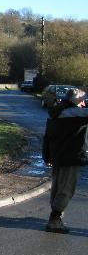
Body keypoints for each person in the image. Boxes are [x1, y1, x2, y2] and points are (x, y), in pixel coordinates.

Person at [42, 88, 88, 233]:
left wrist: (47, 156)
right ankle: (55, 220)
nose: (84, 102)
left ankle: (56, 216)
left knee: (57, 187)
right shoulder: (75, 113)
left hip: (57, 155)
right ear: (76, 101)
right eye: (83, 99)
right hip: (71, 157)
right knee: (66, 189)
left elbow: (47, 137)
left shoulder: (56, 112)